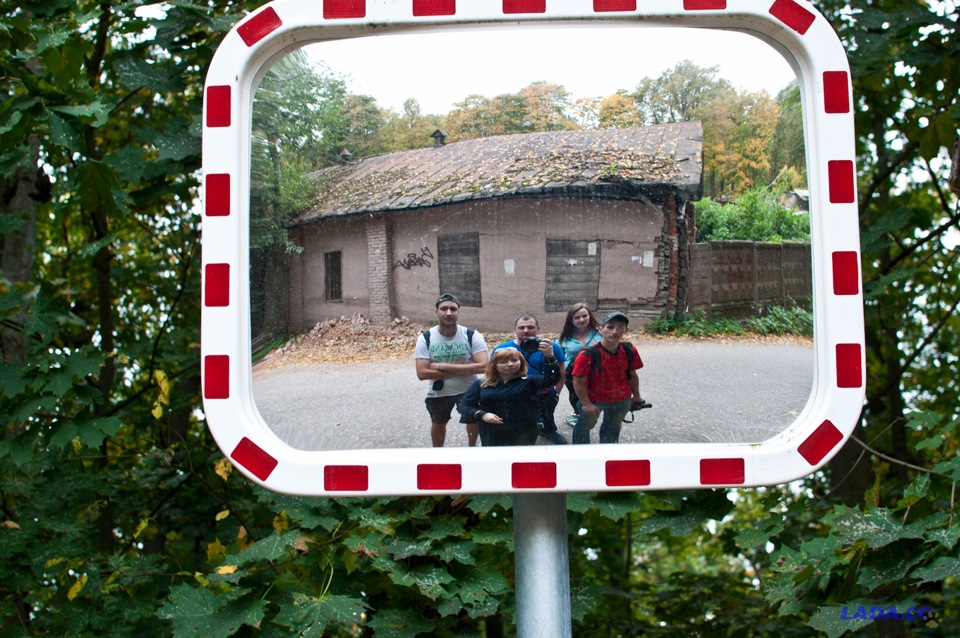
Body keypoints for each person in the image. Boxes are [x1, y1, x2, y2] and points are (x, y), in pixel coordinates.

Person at [414, 293, 488, 447]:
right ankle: (438, 454)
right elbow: (422, 373)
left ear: (458, 312)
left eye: (453, 309)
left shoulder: (471, 335)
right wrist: (467, 368)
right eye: (444, 309)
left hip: (469, 389)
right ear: (436, 312)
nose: (449, 313)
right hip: (439, 392)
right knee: (438, 422)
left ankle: (472, 449)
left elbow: (484, 367)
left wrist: (442, 366)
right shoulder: (426, 337)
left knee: (473, 419)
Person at [459, 348, 562, 447]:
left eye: (514, 360)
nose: (510, 364)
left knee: (520, 460)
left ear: (521, 362)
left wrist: (549, 357)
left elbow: (553, 379)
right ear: (494, 365)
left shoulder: (530, 381)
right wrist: (482, 414)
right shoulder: (482, 383)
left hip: (523, 431)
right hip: (491, 431)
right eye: (503, 362)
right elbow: (464, 406)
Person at [570, 311, 645, 444]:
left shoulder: (629, 350)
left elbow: (632, 375)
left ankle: (607, 455)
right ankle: (580, 454)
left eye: (620, 327)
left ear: (626, 330)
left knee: (612, 428)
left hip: (621, 400)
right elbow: (578, 381)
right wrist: (586, 404)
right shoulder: (587, 354)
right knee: (585, 426)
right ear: (601, 329)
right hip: (594, 400)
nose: (615, 331)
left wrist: (637, 396)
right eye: (610, 327)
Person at [493, 313, 568, 444]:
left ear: (538, 328)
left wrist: (557, 391)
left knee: (547, 415)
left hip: (546, 393)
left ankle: (548, 430)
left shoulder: (551, 347)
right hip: (516, 394)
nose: (526, 330)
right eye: (521, 327)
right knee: (518, 419)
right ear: (515, 329)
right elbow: (493, 373)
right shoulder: (502, 349)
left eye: (530, 327)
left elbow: (561, 370)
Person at [557, 303, 602, 424]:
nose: (581, 320)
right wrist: (566, 368)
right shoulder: (565, 337)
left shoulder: (601, 332)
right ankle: (578, 413)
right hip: (573, 374)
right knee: (575, 395)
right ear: (571, 320)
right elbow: (558, 357)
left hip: (598, 371)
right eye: (577, 317)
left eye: (584, 316)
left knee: (597, 394)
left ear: (590, 316)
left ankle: (595, 411)